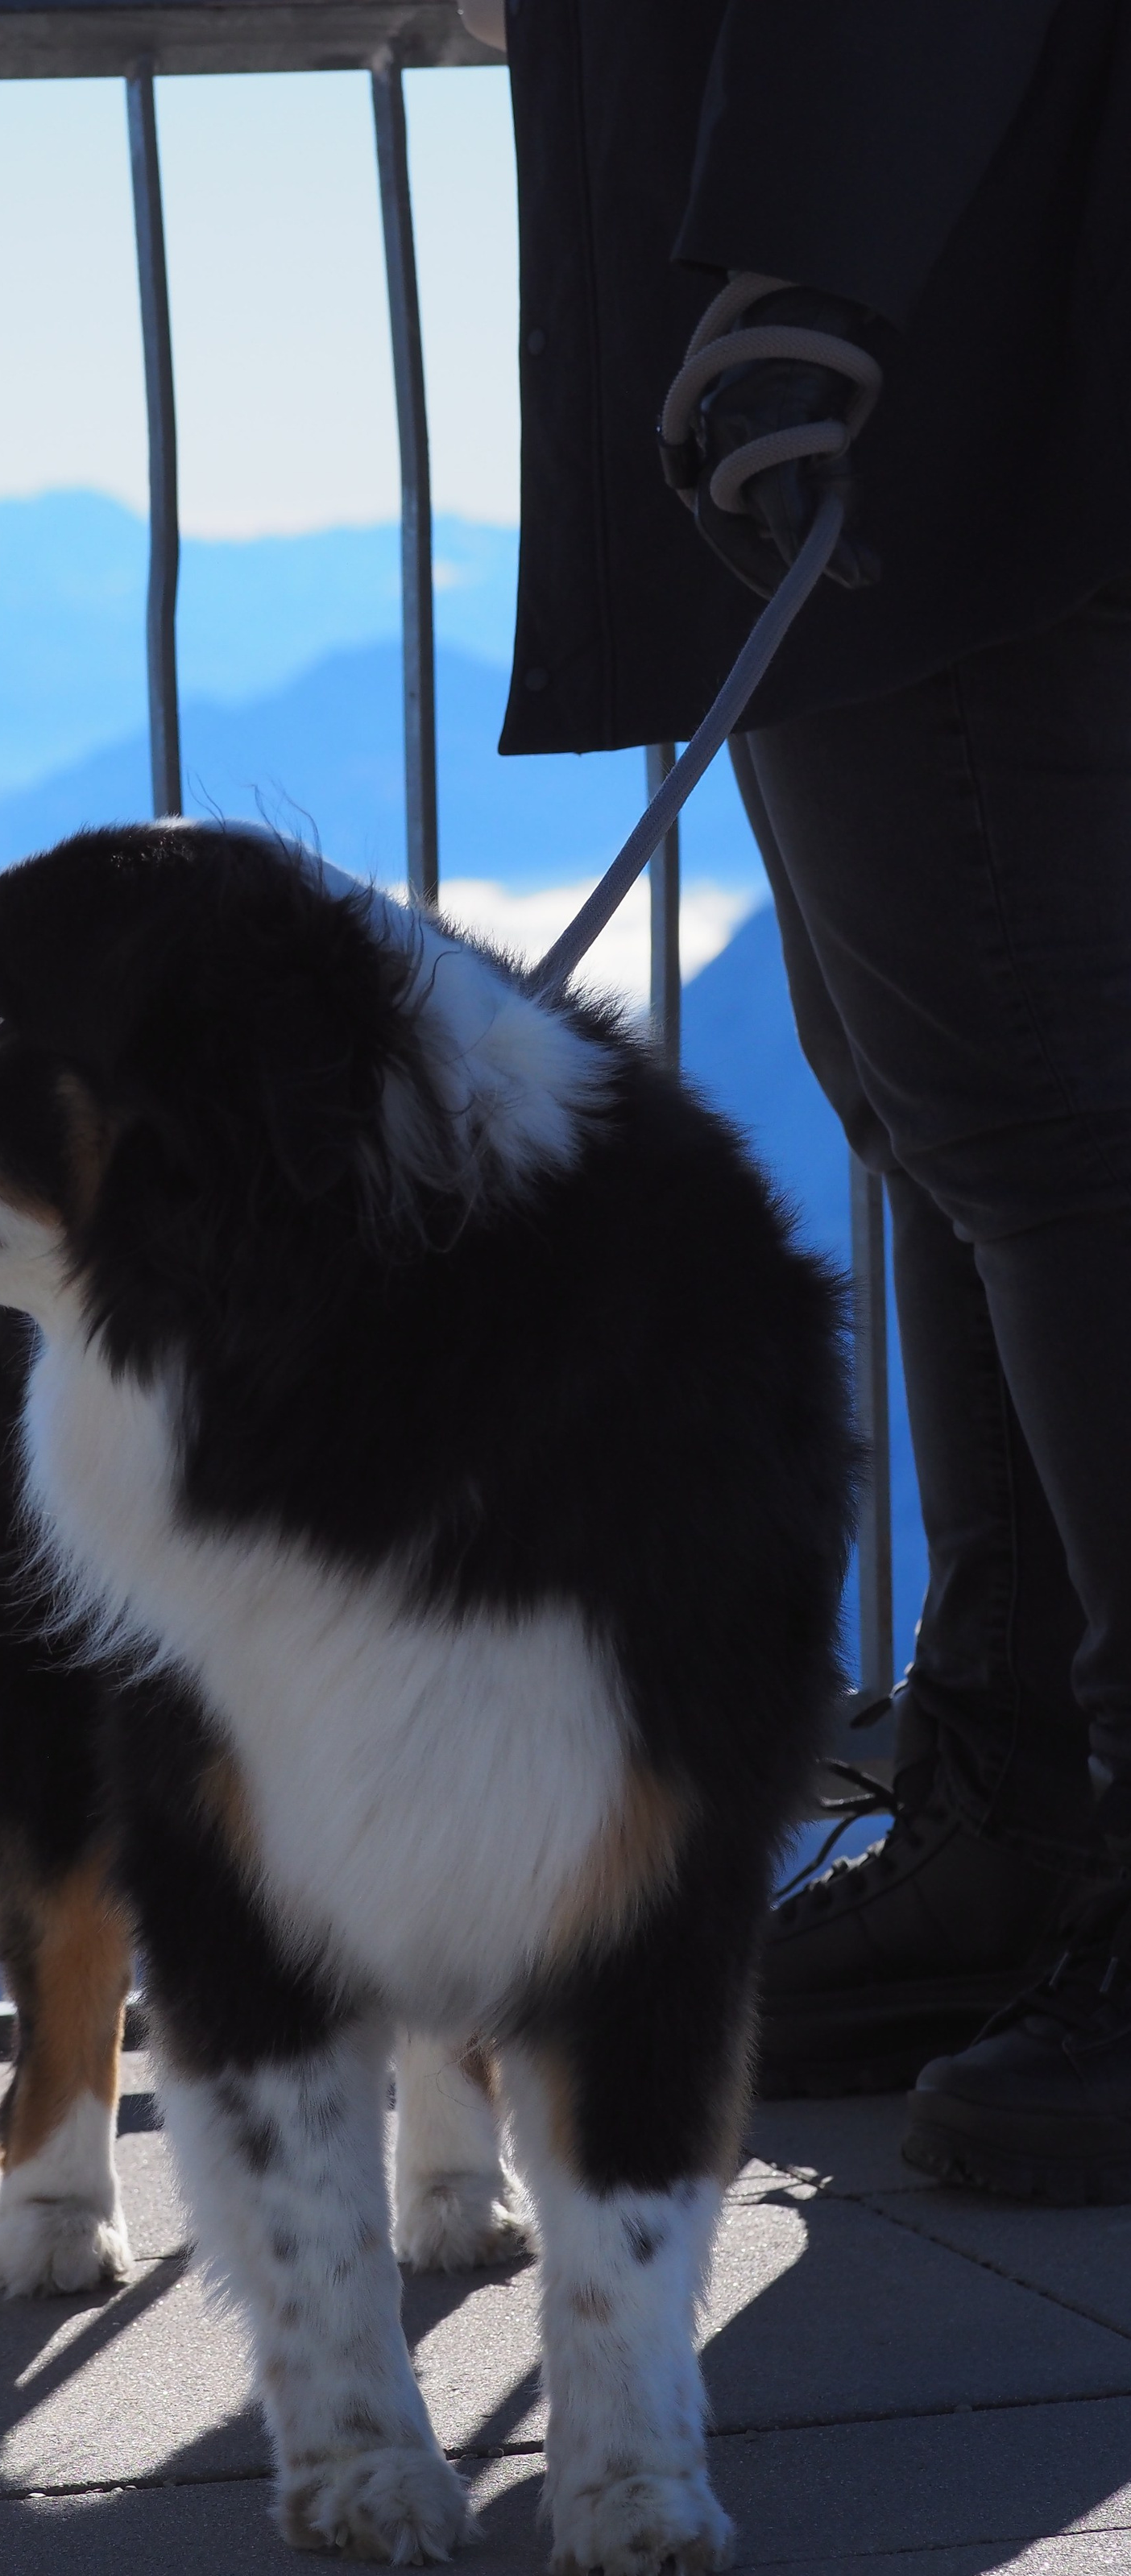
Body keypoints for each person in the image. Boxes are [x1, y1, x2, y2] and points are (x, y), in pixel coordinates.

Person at [490, 0, 1131, 2197]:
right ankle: (1016, 1826)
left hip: (936, 344)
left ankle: (1061, 1831)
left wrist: (804, 276)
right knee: (966, 1120)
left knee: (1053, 1128)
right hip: (892, 332)